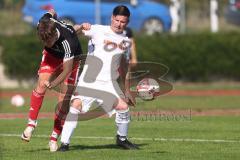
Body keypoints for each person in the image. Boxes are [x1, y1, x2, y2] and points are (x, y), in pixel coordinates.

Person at [58, 5, 139, 151]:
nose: (119, 24)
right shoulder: (97, 30)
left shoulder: (126, 41)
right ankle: (64, 144)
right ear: (112, 18)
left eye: (123, 22)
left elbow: (124, 67)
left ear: (127, 22)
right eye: (117, 20)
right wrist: (81, 26)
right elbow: (70, 33)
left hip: (109, 83)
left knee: (123, 107)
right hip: (90, 81)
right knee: (75, 106)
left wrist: (127, 90)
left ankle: (122, 139)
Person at [20, 9, 83, 152]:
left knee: (63, 99)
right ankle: (31, 125)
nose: (46, 44)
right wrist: (53, 15)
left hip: (72, 62)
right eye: (43, 41)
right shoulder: (43, 24)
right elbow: (51, 12)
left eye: (49, 41)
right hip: (52, 57)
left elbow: (66, 70)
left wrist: (53, 84)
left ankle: (54, 138)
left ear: (55, 34)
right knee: (41, 85)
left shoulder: (68, 41)